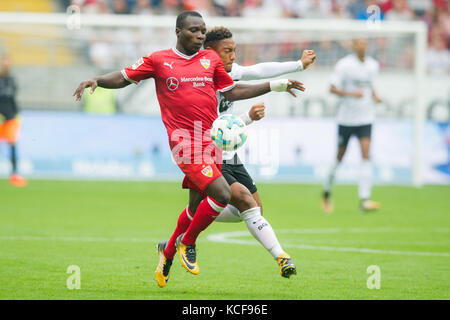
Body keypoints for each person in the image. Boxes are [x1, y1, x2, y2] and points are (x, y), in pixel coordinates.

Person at [72, 11, 305, 286]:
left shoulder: (211, 60)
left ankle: (167, 252)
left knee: (195, 208)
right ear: (178, 31)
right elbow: (124, 77)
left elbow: (231, 91)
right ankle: (188, 243)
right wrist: (97, 79)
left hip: (212, 142)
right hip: (185, 142)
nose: (199, 35)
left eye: (202, 31)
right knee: (221, 192)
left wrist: (274, 86)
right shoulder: (158, 60)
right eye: (194, 30)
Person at [155, 26, 316, 286]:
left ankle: (171, 248)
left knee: (250, 209)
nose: (232, 57)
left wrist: (298, 65)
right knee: (241, 199)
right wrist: (246, 117)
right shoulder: (197, 75)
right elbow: (208, 124)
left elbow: (259, 70)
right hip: (203, 150)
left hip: (227, 152)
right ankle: (282, 257)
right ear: (209, 53)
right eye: (227, 51)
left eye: (234, 51)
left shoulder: (230, 73)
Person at [322, 38, 382, 214]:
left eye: (365, 44)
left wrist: (375, 96)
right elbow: (331, 89)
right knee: (339, 157)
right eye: (359, 44)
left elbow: (370, 86)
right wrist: (351, 94)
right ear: (354, 46)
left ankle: (365, 199)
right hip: (346, 119)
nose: (362, 47)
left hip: (366, 118)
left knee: (366, 154)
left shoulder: (373, 65)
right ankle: (326, 191)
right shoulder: (344, 65)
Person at [0, 55, 27, 187]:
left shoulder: (12, 81)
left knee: (12, 145)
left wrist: (16, 114)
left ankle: (14, 174)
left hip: (10, 118)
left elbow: (12, 100)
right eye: (4, 62)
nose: (6, 64)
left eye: (7, 62)